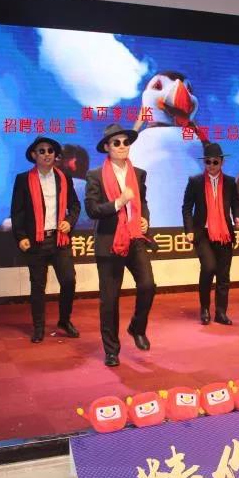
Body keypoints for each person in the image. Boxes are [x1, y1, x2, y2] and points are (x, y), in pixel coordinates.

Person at [85, 123, 155, 367]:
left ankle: (137, 327)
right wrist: (119, 202)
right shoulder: (94, 175)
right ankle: (111, 350)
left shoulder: (139, 174)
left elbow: (142, 202)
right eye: (117, 143)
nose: (123, 146)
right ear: (107, 147)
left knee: (148, 285)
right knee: (110, 299)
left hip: (135, 238)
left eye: (126, 142)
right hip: (109, 242)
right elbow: (92, 210)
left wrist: (145, 218)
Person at [11, 137, 80, 343]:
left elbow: (75, 206)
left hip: (60, 239)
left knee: (69, 280)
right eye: (41, 151)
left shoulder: (64, 178)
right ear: (34, 155)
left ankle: (64, 321)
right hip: (36, 241)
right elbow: (17, 211)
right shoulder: (23, 179)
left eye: (50, 150)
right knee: (38, 286)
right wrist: (21, 236)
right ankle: (39, 327)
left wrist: (69, 221)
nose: (47, 154)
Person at [182, 142, 239, 325]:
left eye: (215, 162)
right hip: (203, 233)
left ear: (222, 162)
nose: (211, 165)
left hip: (224, 234)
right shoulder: (195, 182)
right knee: (208, 268)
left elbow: (236, 203)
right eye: (207, 162)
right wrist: (189, 230)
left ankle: (221, 313)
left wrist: (238, 216)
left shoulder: (230, 182)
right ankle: (205, 309)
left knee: (223, 275)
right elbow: (187, 207)